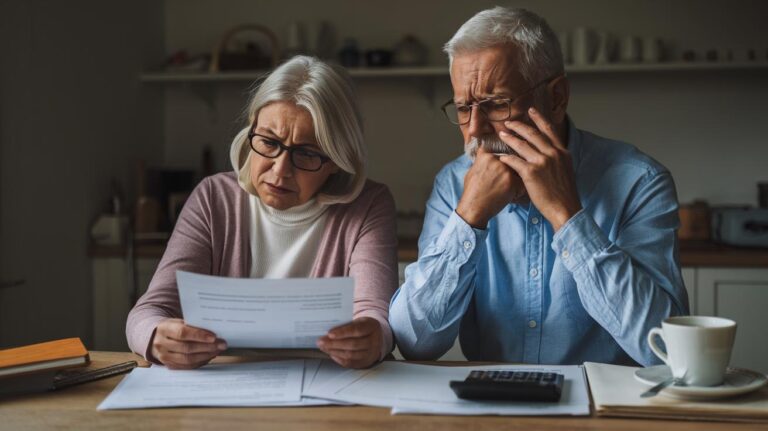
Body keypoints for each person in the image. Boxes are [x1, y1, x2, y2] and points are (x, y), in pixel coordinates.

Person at [389, 7, 689, 366]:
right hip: (492, 411)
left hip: (605, 413)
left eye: (496, 104)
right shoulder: (454, 185)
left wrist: (568, 216)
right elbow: (414, 341)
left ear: (557, 97)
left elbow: (666, 352)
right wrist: (467, 218)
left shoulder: (639, 182)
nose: (474, 129)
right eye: (463, 108)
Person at [127, 56, 398, 370]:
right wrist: (156, 336)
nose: (280, 170)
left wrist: (374, 338)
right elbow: (148, 311)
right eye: (269, 142)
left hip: (326, 391)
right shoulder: (214, 198)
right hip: (225, 385)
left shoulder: (368, 205)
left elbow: (376, 317)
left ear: (337, 158)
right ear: (251, 130)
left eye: (307, 153)